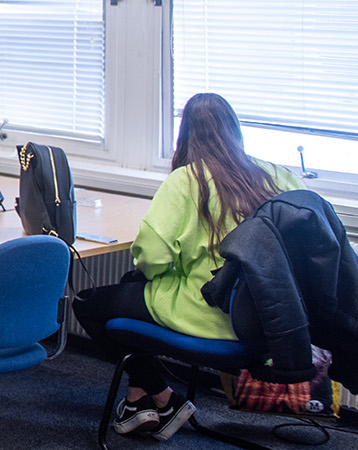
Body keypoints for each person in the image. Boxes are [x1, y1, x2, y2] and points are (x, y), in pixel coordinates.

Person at [77, 93, 305, 441]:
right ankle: (142, 401)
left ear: (186, 135)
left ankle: (164, 398)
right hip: (267, 321)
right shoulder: (279, 177)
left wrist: (159, 273)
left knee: (87, 303)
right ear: (234, 130)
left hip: (206, 315)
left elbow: (151, 258)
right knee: (129, 283)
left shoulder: (188, 180)